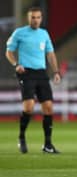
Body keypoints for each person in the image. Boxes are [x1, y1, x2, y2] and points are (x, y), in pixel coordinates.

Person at [6, 7, 61, 154]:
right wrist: (16, 64)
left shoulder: (44, 34)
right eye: (33, 17)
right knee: (29, 107)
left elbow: (50, 54)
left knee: (48, 108)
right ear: (28, 18)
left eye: (38, 17)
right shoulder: (19, 33)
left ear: (41, 18)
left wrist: (56, 71)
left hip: (41, 73)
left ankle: (48, 145)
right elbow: (9, 51)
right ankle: (22, 137)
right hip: (26, 73)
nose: (35, 20)